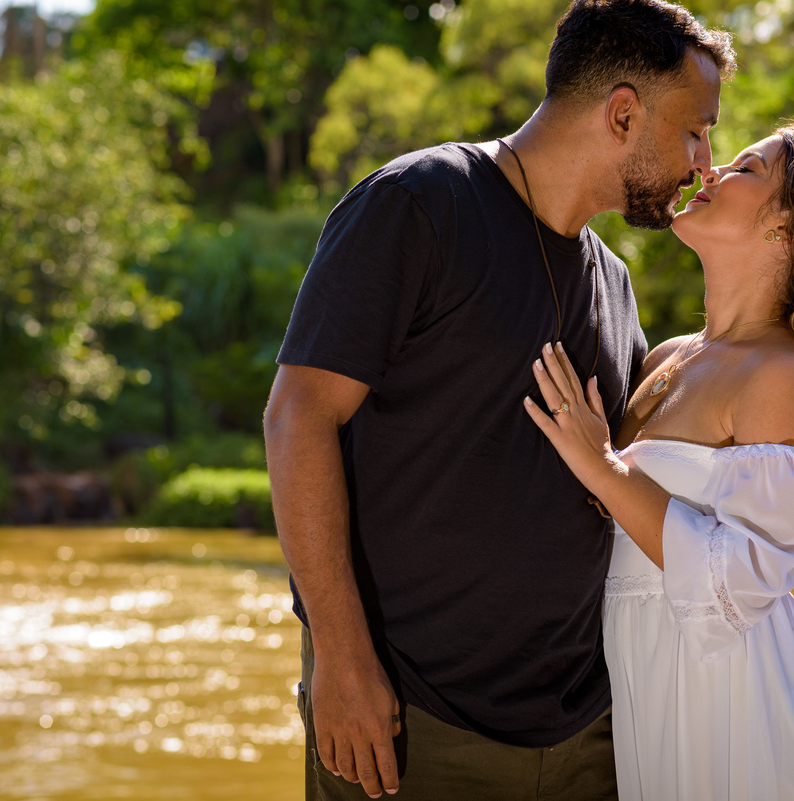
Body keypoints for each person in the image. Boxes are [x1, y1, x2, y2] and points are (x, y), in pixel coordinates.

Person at [263, 1, 736, 798]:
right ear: (623, 113)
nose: (706, 162)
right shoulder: (419, 204)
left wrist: (775, 633)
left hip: (588, 735)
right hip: (412, 725)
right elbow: (296, 417)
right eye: (696, 130)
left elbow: (626, 495)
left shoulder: (615, 286)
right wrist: (343, 659)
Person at [524, 123, 794, 799]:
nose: (711, 170)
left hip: (745, 717)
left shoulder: (783, 373)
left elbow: (740, 579)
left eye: (747, 168)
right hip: (657, 696)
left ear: (788, 230)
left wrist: (602, 465)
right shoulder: (664, 356)